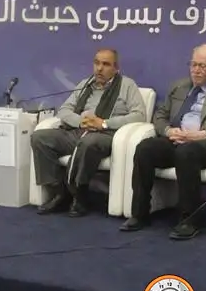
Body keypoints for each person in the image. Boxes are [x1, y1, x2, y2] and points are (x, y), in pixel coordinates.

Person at [121, 44, 206, 240]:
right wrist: (168, 131)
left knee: (186, 153)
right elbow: (160, 115)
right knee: (145, 148)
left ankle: (189, 220)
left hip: (204, 144)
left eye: (203, 66)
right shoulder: (179, 86)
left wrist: (203, 134)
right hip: (176, 138)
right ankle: (140, 213)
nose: (196, 70)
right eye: (193, 65)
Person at [32, 49, 147, 217]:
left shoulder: (127, 85)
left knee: (88, 143)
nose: (99, 68)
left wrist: (104, 123)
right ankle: (59, 192)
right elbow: (64, 110)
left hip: (106, 134)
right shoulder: (85, 84)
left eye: (105, 64)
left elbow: (139, 115)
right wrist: (80, 121)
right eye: (97, 63)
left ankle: (79, 195)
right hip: (78, 130)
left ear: (116, 68)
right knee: (40, 138)